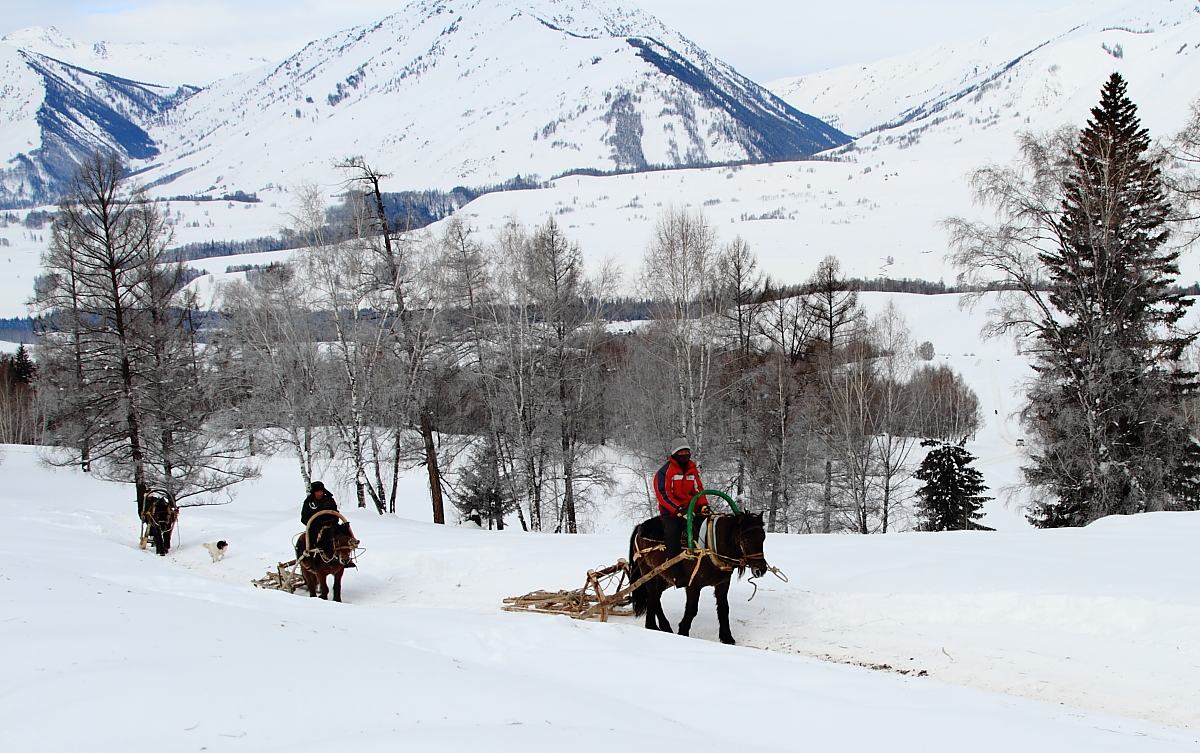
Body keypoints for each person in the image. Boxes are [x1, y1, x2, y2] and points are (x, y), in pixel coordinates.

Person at [653, 437, 708, 585]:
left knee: (708, 528)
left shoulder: (692, 469)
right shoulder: (665, 472)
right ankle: (675, 571)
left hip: (691, 510)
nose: (685, 454)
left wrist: (703, 505)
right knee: (673, 534)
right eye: (681, 452)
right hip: (672, 512)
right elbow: (663, 494)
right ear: (675, 454)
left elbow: (698, 489)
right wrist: (678, 509)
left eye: (687, 451)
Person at [300, 481, 340, 553]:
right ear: (313, 492)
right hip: (315, 527)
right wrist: (314, 524)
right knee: (313, 537)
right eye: (317, 492)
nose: (320, 493)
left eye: (321, 491)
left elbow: (335, 512)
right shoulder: (308, 502)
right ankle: (312, 555)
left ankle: (346, 552)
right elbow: (304, 518)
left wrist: (334, 520)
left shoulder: (329, 500)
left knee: (343, 530)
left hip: (330, 524)